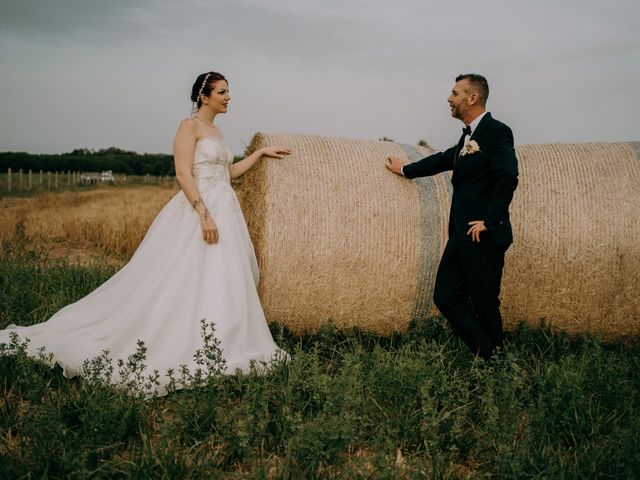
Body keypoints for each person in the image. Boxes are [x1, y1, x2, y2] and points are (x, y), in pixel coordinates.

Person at [0, 71, 291, 395]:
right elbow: (183, 173)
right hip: (201, 211)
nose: (228, 97)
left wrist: (260, 153)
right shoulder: (188, 127)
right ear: (203, 96)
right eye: (222, 92)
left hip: (227, 209)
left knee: (221, 278)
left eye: (228, 91)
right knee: (180, 277)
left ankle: (221, 339)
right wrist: (205, 215)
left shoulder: (217, 131)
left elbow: (228, 173)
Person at [386, 73, 518, 359]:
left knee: (484, 302)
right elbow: (444, 159)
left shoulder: (497, 131)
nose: (449, 98)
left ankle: (497, 365)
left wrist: (490, 220)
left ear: (472, 98)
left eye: (455, 93)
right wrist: (405, 169)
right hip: (460, 235)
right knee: (445, 297)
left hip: (482, 235)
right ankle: (488, 354)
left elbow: (508, 176)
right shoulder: (467, 137)